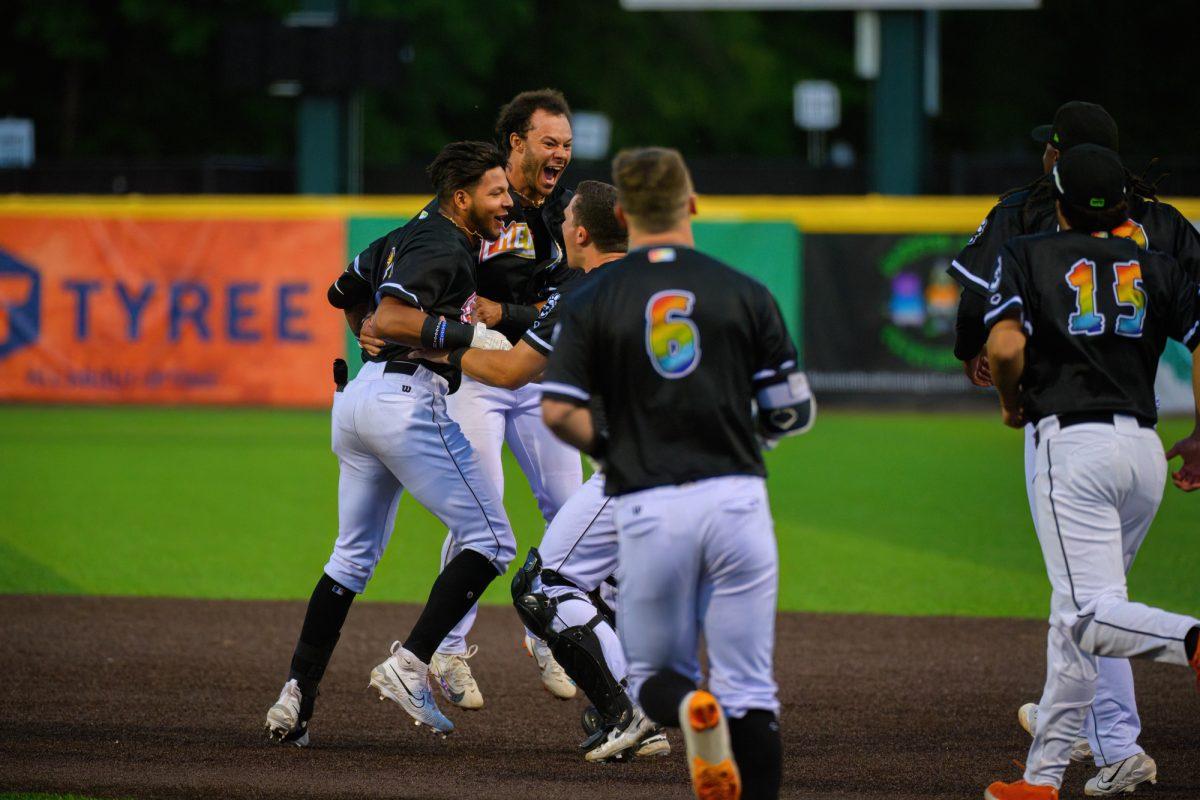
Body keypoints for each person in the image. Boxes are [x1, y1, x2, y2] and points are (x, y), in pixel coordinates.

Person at [541, 147, 815, 800]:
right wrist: (746, 437)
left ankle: (694, 706)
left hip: (648, 501)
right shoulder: (744, 290)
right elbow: (792, 409)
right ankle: (729, 716)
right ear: (692, 205)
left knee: (649, 679)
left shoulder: (595, 296)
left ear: (626, 214)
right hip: (738, 499)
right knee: (753, 690)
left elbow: (557, 410)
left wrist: (611, 446)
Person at [950, 101, 1200, 795]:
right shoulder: (1163, 235)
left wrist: (1003, 392)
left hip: (1066, 435)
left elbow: (993, 336)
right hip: (1144, 445)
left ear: (1057, 170)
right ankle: (1079, 759)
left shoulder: (1029, 232)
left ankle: (1181, 653)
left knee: (1088, 611)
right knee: (1086, 605)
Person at [263, 141, 517, 746]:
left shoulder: (403, 235)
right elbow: (398, 319)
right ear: (463, 197)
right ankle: (411, 665)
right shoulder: (442, 242)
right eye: (497, 191)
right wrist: (472, 332)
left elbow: (343, 293)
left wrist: (366, 334)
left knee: (350, 559)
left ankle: (293, 697)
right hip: (406, 403)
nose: (507, 202)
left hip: (356, 403)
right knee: (493, 540)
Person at [415, 180, 669, 761]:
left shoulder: (583, 292)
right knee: (615, 585)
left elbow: (509, 374)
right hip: (699, 460)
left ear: (579, 234)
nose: (558, 225)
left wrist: (443, 347)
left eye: (567, 219)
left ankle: (633, 710)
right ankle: (635, 707)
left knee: (542, 586)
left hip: (638, 463)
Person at [432, 89, 583, 706]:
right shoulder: (481, 197)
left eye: (568, 145)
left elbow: (562, 299)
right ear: (516, 142)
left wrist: (510, 310)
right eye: (550, 142)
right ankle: (444, 648)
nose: (561, 155)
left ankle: (546, 624)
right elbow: (438, 264)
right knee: (482, 508)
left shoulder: (567, 210)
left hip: (540, 373)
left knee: (571, 510)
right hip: (479, 375)